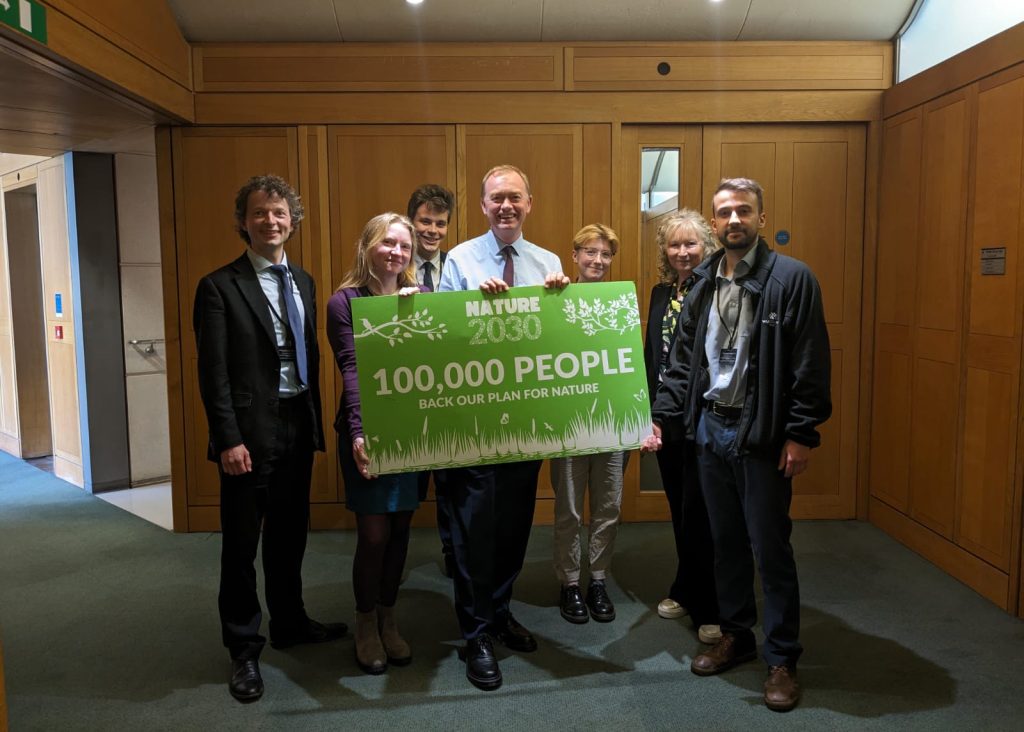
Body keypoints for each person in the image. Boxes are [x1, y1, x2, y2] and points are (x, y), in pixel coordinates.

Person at [643, 178, 831, 712]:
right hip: (708, 431)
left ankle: (781, 657)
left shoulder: (792, 280)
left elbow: (810, 364)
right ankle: (736, 634)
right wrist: (664, 417)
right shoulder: (702, 281)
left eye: (742, 211)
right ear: (715, 218)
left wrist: (801, 432)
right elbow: (682, 361)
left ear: (760, 218)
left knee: (769, 549)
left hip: (762, 437)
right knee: (723, 542)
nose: (733, 220)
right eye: (723, 211)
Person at [193, 174, 346, 704]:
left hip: (296, 424)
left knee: (289, 533)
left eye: (279, 212)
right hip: (247, 435)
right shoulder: (219, 286)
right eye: (260, 212)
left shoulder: (301, 280)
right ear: (243, 222)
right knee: (241, 545)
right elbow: (212, 373)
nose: (271, 221)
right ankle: (243, 648)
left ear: (292, 221)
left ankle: (290, 621)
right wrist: (228, 439)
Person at [436, 164, 570, 691]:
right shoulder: (459, 259)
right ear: (484, 206)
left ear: (529, 203)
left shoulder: (549, 262)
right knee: (474, 530)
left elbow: (558, 343)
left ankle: (499, 610)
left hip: (527, 420)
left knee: (515, 524)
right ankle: (475, 634)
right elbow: (442, 337)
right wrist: (476, 310)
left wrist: (561, 303)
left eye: (515, 197)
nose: (506, 206)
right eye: (497, 199)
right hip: (474, 421)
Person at [326, 212, 426, 675]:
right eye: (388, 243)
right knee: (374, 534)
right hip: (367, 428)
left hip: (411, 430)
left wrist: (414, 315)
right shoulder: (344, 302)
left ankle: (389, 617)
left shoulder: (418, 298)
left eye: (404, 247)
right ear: (368, 245)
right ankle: (365, 622)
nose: (396, 253)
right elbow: (352, 367)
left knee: (402, 529)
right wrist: (360, 432)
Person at [641, 210, 721, 645]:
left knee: (702, 513)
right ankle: (686, 588)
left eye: (691, 244)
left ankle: (712, 607)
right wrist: (648, 414)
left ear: (706, 246)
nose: (683, 252)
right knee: (680, 509)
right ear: (664, 251)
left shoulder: (714, 292)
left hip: (703, 420)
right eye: (675, 244)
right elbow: (652, 355)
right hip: (664, 418)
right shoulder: (659, 294)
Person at [551, 224, 624, 625]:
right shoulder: (555, 298)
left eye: (606, 254)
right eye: (590, 252)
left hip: (612, 422)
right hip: (568, 425)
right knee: (569, 509)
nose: (598, 260)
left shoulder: (619, 304)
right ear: (575, 254)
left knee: (608, 505)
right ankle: (569, 583)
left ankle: (597, 579)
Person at [405, 184, 456, 578]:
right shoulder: (392, 262)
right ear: (411, 221)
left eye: (440, 223)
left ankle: (453, 551)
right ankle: (395, 555)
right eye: (425, 221)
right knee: (410, 482)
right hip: (409, 391)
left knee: (452, 482)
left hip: (453, 391)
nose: (432, 230)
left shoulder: (457, 266)